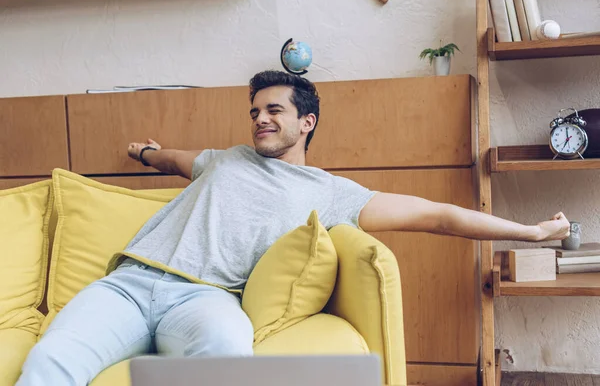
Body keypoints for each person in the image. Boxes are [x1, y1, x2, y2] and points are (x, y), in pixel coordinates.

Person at [17, 70, 570, 385]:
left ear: (305, 122)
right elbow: (173, 160)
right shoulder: (226, 158)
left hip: (206, 300)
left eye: (274, 110)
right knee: (47, 362)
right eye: (255, 111)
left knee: (229, 358)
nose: (261, 118)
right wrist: (144, 152)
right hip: (128, 285)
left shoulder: (331, 193)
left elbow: (437, 215)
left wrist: (529, 232)